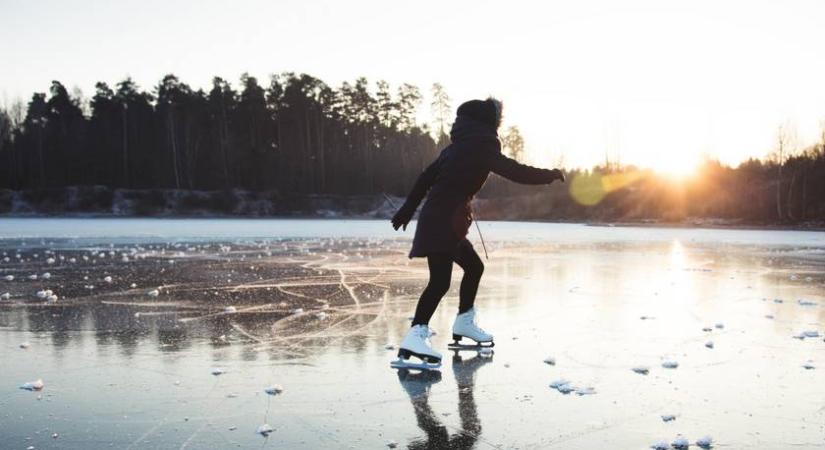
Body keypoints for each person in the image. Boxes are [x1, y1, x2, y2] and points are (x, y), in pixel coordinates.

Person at [391, 98, 564, 369]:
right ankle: (415, 335)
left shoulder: (455, 148)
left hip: (442, 218)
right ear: (489, 122)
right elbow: (514, 171)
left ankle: (463, 322)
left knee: (473, 267)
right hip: (444, 220)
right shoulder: (482, 146)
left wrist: (407, 210)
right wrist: (549, 175)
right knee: (440, 282)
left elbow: (426, 177)